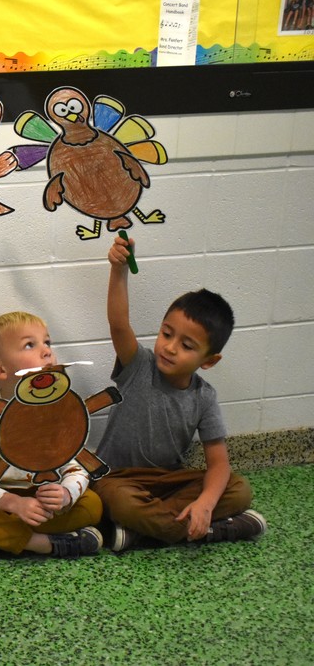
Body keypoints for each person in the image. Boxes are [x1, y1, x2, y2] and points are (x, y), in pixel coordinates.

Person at [94, 235, 266, 553]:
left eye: (187, 346)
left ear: (209, 361)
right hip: (117, 479)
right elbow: (118, 324)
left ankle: (148, 533)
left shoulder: (204, 397)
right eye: (166, 334)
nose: (170, 348)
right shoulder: (139, 366)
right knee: (117, 502)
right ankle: (209, 530)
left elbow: (219, 465)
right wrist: (118, 270)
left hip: (169, 482)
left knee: (239, 490)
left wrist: (204, 502)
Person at [0, 312, 104, 564]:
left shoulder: (63, 404)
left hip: (45, 504)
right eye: (30, 344)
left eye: (47, 342)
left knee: (92, 504)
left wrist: (65, 494)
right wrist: (12, 503)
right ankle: (44, 544)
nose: (47, 351)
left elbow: (78, 466)